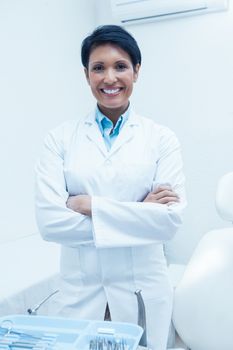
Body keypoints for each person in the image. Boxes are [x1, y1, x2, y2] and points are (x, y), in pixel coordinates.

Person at [35, 25, 186, 350]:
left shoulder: (161, 139)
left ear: (136, 71)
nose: (109, 78)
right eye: (98, 68)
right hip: (80, 295)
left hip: (140, 293)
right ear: (86, 75)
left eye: (120, 66)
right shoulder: (59, 139)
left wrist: (90, 206)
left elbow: (169, 221)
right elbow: (51, 223)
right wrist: (141, 213)